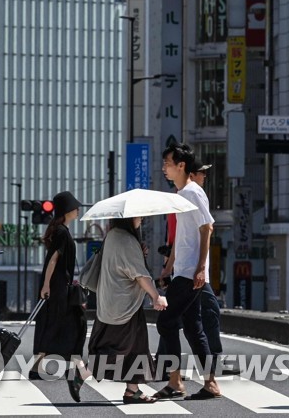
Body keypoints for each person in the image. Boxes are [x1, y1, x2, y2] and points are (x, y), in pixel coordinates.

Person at [155, 143, 221, 400]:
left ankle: (175, 381)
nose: (164, 168)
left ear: (181, 165)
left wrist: (200, 269)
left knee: (166, 321)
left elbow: (207, 228)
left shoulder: (193, 192)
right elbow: (182, 237)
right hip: (183, 270)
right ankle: (210, 384)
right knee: (193, 327)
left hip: (191, 273)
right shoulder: (181, 194)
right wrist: (168, 267)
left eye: (168, 163)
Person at [76, 216, 167, 404]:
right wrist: (156, 296)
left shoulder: (113, 236)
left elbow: (124, 266)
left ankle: (132, 391)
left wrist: (139, 254)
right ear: (128, 218)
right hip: (123, 306)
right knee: (120, 348)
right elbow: (140, 275)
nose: (141, 219)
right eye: (138, 216)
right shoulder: (126, 239)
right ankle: (82, 372)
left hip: (116, 302)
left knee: (137, 347)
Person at [30, 191, 89, 382]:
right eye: (75, 207)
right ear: (67, 210)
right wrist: (46, 285)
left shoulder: (62, 230)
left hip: (59, 286)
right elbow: (53, 260)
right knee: (66, 324)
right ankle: (76, 367)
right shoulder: (62, 232)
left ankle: (45, 366)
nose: (78, 210)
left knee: (61, 325)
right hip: (57, 288)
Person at [186, 163, 223, 359]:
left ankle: (164, 362)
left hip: (187, 268)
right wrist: (200, 267)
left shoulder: (184, 193)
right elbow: (207, 228)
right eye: (202, 172)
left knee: (175, 317)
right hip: (194, 269)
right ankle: (214, 358)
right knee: (210, 311)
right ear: (192, 173)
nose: (205, 176)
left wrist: (168, 266)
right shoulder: (194, 192)